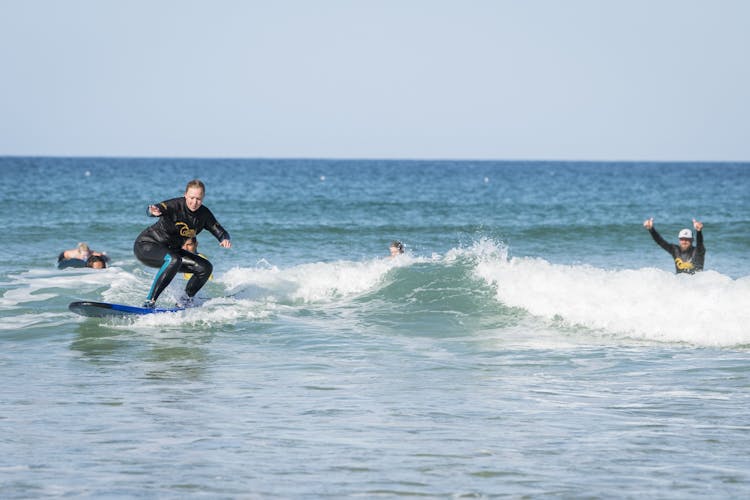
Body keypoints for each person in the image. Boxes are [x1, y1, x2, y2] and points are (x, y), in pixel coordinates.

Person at [133, 179, 231, 308]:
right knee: (174, 259)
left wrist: (224, 238)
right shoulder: (175, 205)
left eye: (198, 199)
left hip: (172, 251)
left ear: (203, 198)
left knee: (205, 268)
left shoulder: (204, 214)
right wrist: (153, 211)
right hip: (147, 245)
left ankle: (184, 301)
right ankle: (149, 302)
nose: (194, 202)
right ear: (185, 195)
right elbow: (155, 209)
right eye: (191, 197)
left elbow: (218, 230)